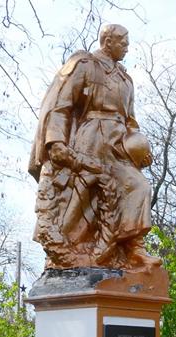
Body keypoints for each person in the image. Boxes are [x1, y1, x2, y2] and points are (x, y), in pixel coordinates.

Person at [29, 24, 157, 270]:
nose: (127, 48)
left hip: (120, 145)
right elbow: (61, 106)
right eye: (123, 42)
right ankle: (69, 251)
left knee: (139, 186)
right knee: (81, 197)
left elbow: (131, 120)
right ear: (107, 41)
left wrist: (140, 148)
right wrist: (55, 141)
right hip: (90, 138)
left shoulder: (125, 78)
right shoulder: (85, 65)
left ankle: (134, 248)